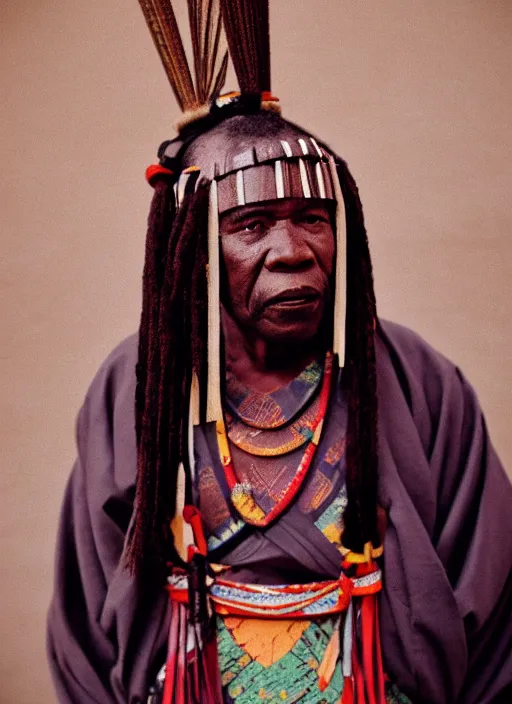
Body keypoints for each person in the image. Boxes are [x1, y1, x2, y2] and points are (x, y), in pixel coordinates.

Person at [47, 1, 512, 702]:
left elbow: (500, 612)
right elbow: (86, 629)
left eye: (313, 220)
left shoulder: (417, 383)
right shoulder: (138, 388)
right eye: (252, 224)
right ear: (192, 248)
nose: (292, 253)